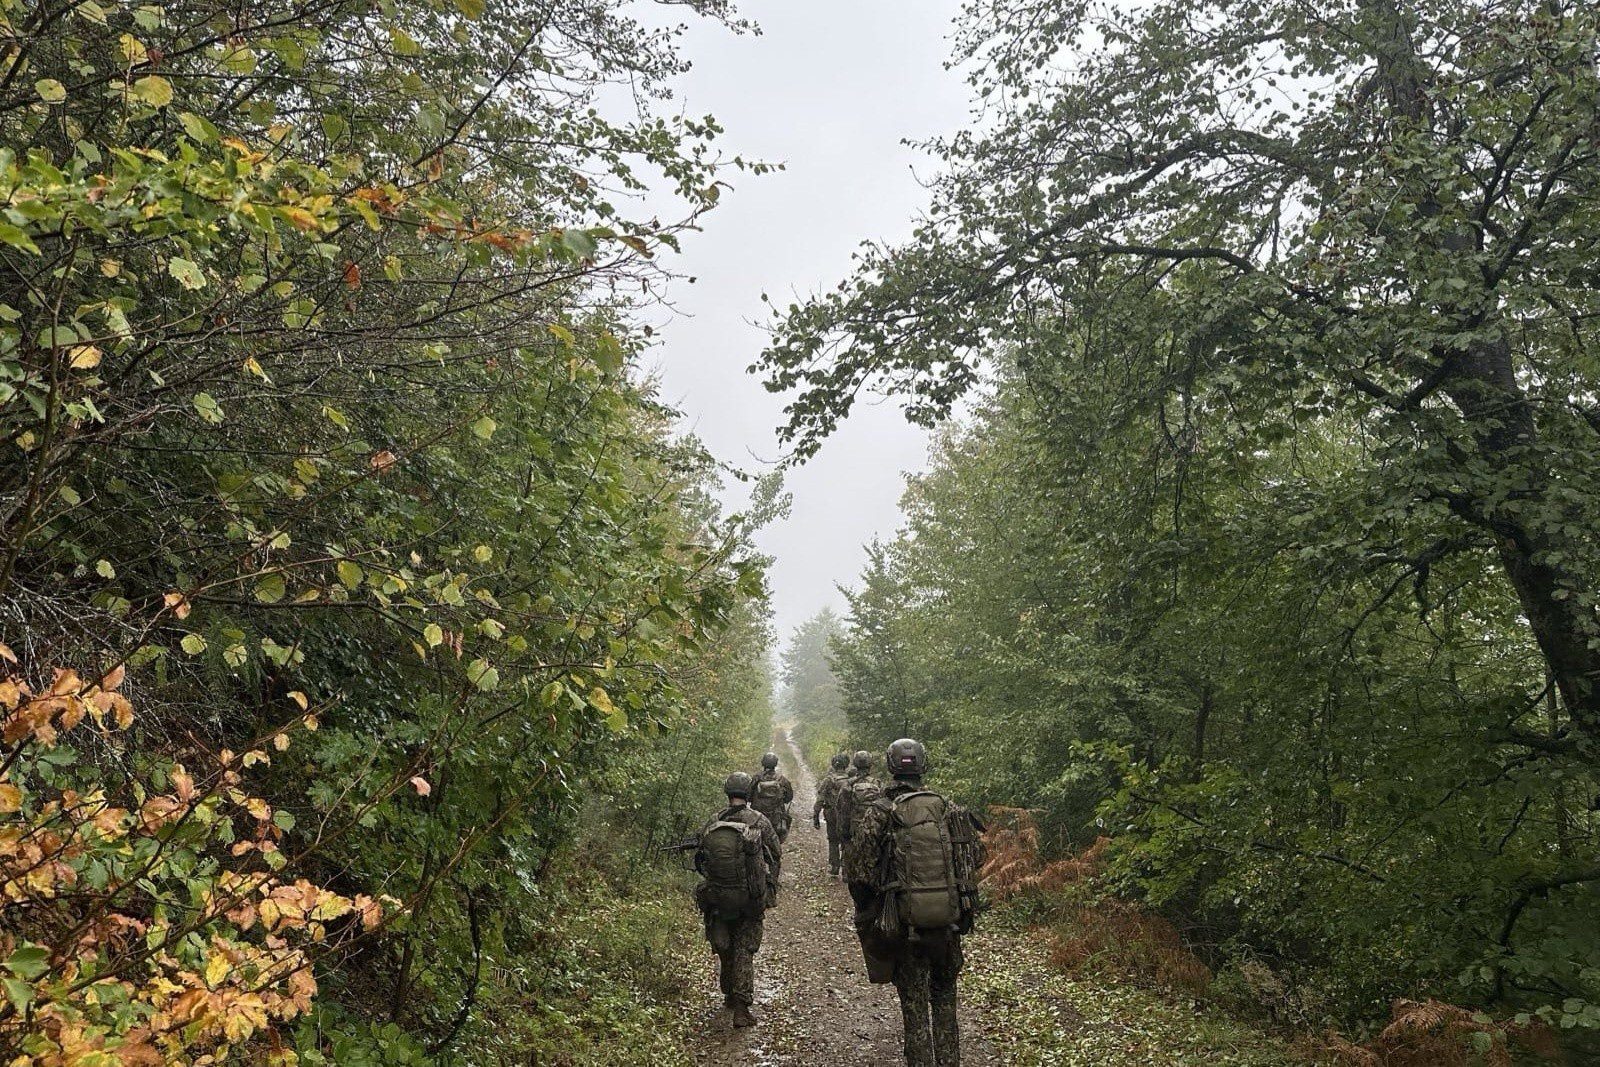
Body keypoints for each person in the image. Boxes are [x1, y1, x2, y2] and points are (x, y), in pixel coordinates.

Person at [845, 739, 985, 1067]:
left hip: (904, 926)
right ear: (923, 765)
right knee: (946, 1005)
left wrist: (872, 909)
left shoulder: (881, 811)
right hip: (948, 927)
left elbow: (858, 872)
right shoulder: (947, 807)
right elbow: (974, 857)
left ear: (891, 767)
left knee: (916, 1011)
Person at [695, 771, 781, 1028]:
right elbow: (775, 852)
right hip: (749, 899)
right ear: (748, 793)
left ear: (727, 792)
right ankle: (742, 1009)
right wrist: (768, 887)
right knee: (744, 948)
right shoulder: (759, 821)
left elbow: (702, 858)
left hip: (718, 896)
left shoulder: (713, 821)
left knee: (725, 946)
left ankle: (729, 994)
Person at [813, 751, 852, 878]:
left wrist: (816, 816)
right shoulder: (851, 780)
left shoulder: (829, 780)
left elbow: (820, 799)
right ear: (846, 765)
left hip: (832, 815)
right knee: (847, 841)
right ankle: (846, 870)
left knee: (833, 840)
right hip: (848, 815)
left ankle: (834, 867)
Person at [750, 751, 795, 843]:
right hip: (776, 818)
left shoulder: (756, 778)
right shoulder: (782, 779)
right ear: (776, 763)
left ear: (763, 763)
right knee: (776, 842)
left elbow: (748, 796)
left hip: (757, 817)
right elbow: (789, 798)